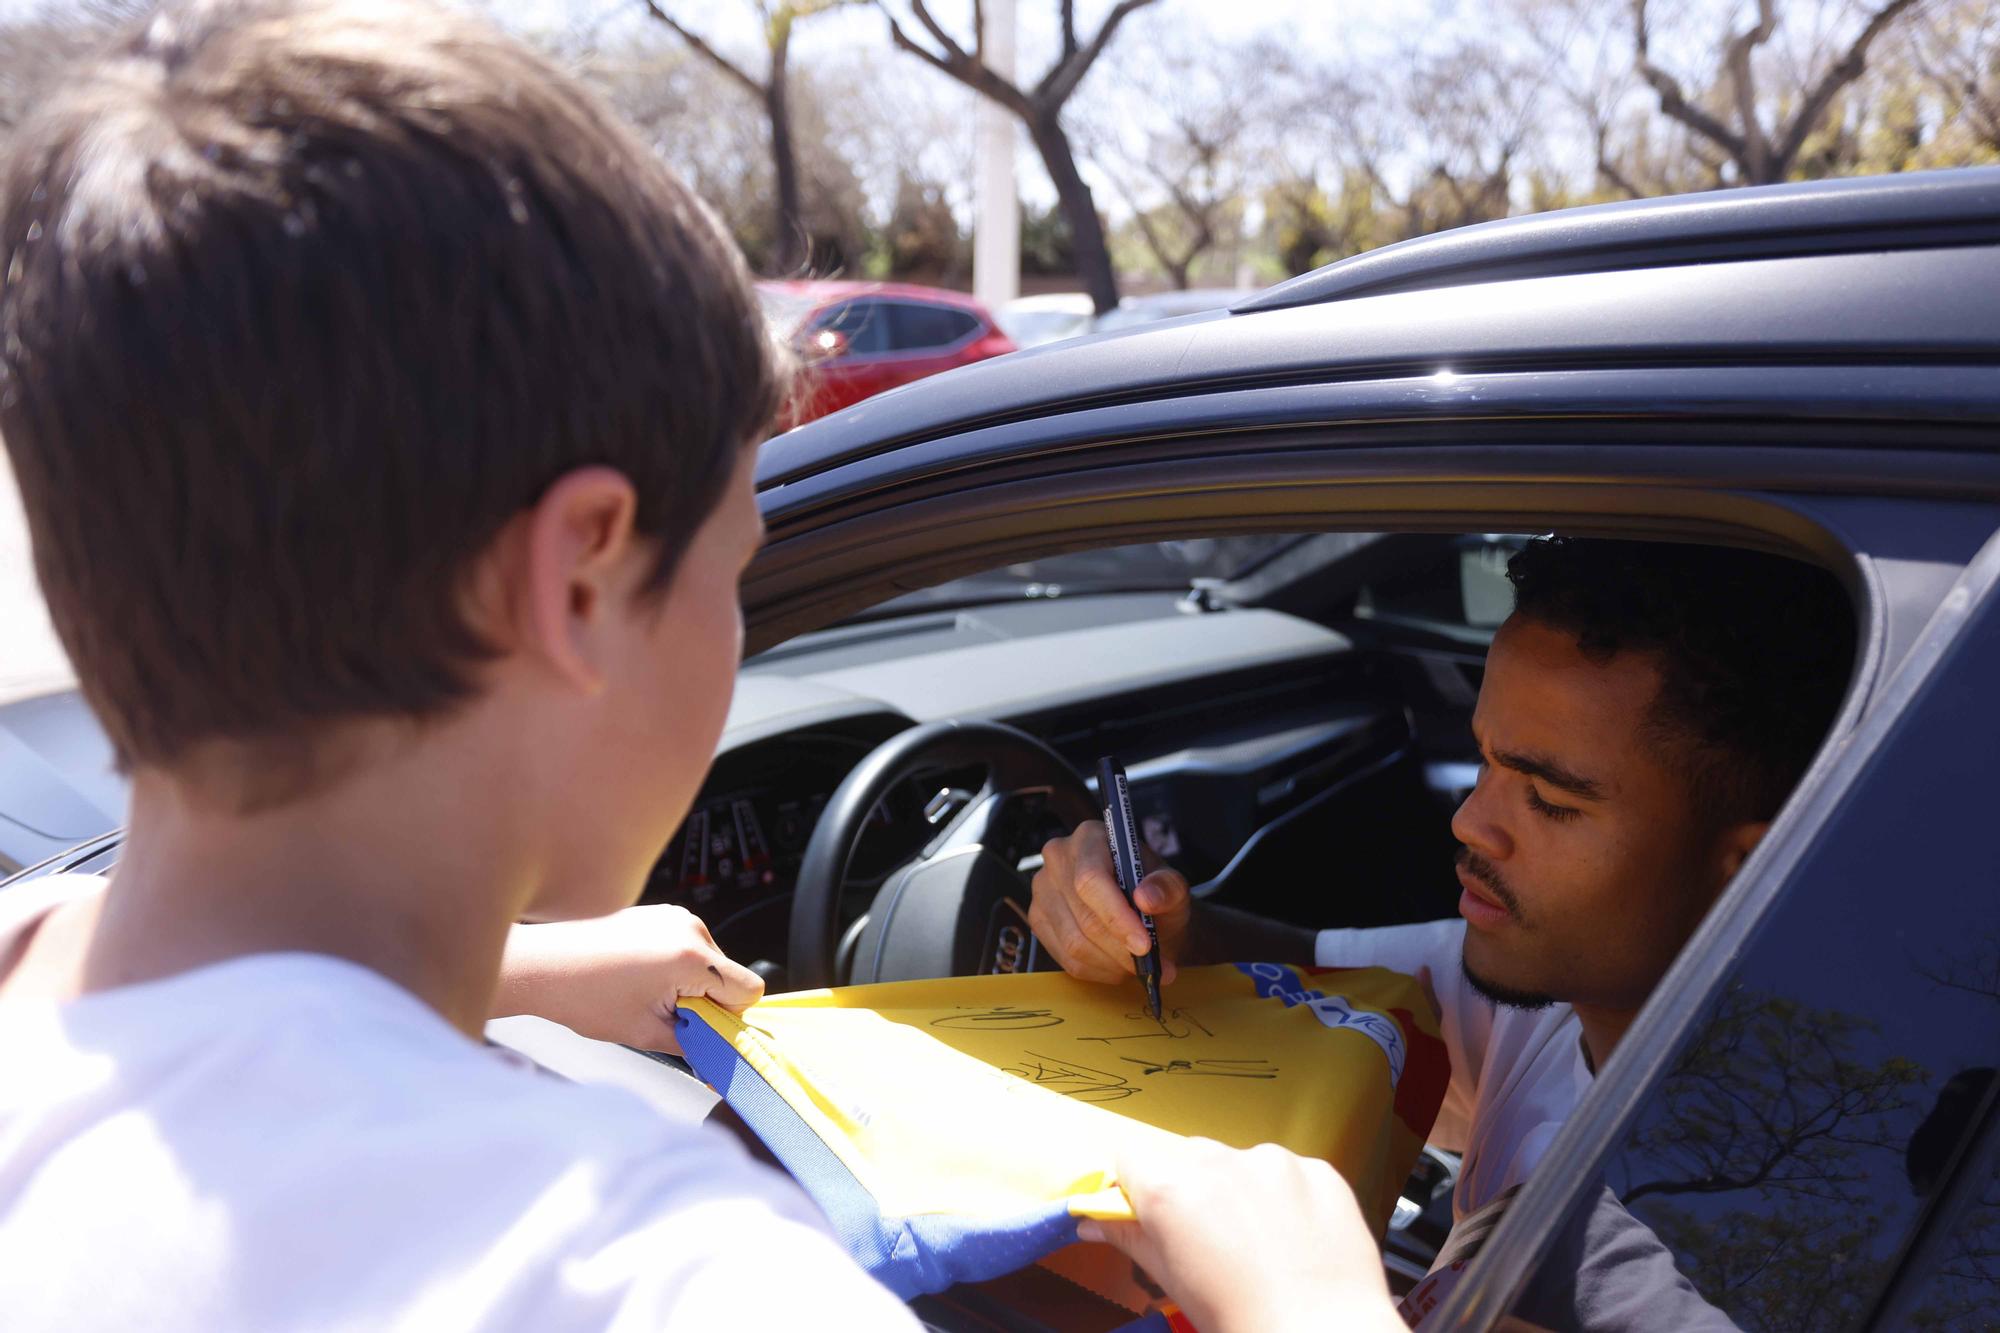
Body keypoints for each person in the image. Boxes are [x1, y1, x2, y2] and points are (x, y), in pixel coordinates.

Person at [0, 2, 1408, 1328]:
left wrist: (506, 972)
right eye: (730, 569)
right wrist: (1316, 1301)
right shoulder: (669, 1276)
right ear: (575, 577)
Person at [1030, 535, 1853, 1326]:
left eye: (1552, 800)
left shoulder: (1722, 1252)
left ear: (1747, 866)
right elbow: (1307, 977)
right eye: (1487, 761)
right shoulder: (1556, 1001)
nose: (1469, 822)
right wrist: (1154, 921)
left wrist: (1289, 1300)